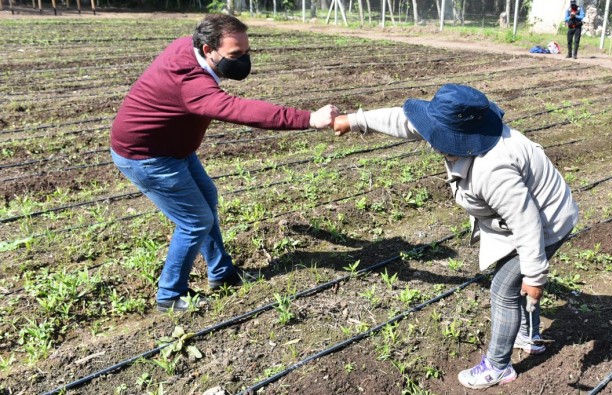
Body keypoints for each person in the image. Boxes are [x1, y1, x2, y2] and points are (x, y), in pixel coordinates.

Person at [332, 84, 579, 389]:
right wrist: (355, 121)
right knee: (514, 284)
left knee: (505, 288)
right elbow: (406, 121)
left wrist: (535, 275)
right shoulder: (466, 129)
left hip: (547, 222)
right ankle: (528, 335)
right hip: (529, 215)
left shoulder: (494, 169)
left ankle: (498, 366)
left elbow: (526, 222)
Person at [110, 14, 339, 312]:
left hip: (173, 149)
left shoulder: (187, 47)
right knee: (194, 222)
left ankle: (222, 273)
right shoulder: (191, 84)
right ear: (208, 50)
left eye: (246, 52)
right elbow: (240, 110)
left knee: (207, 199)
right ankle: (169, 294)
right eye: (235, 55)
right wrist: (308, 119)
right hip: (147, 157)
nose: (243, 60)